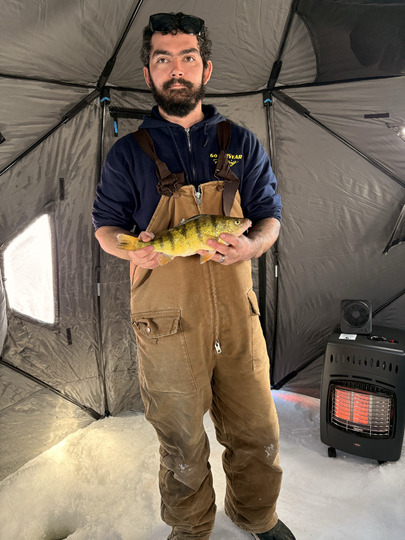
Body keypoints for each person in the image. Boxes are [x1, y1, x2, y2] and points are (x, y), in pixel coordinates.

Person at [92, 12, 295, 540]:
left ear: (206, 68)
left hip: (237, 316)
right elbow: (106, 228)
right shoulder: (127, 153)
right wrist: (133, 252)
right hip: (165, 321)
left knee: (257, 428)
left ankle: (257, 517)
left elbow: (269, 217)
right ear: (148, 73)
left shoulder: (241, 141)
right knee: (180, 439)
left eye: (187, 57)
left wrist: (250, 244)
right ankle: (189, 527)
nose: (176, 69)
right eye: (163, 59)